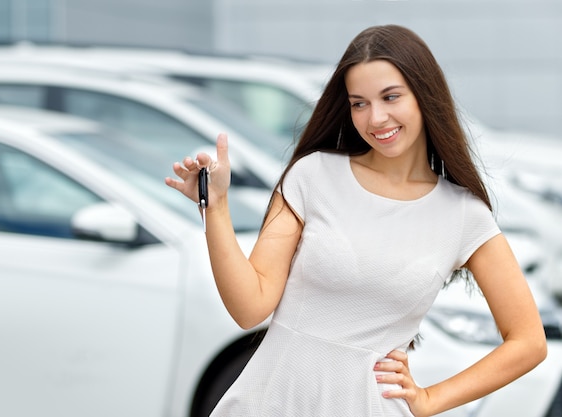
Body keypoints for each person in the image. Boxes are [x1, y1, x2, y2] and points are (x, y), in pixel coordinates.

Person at [164, 24, 547, 417]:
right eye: (359, 103)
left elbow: (529, 341)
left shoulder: (463, 215)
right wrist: (217, 208)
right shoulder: (312, 176)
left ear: (424, 95)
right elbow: (248, 308)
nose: (376, 118)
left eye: (390, 97)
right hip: (270, 402)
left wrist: (432, 399)